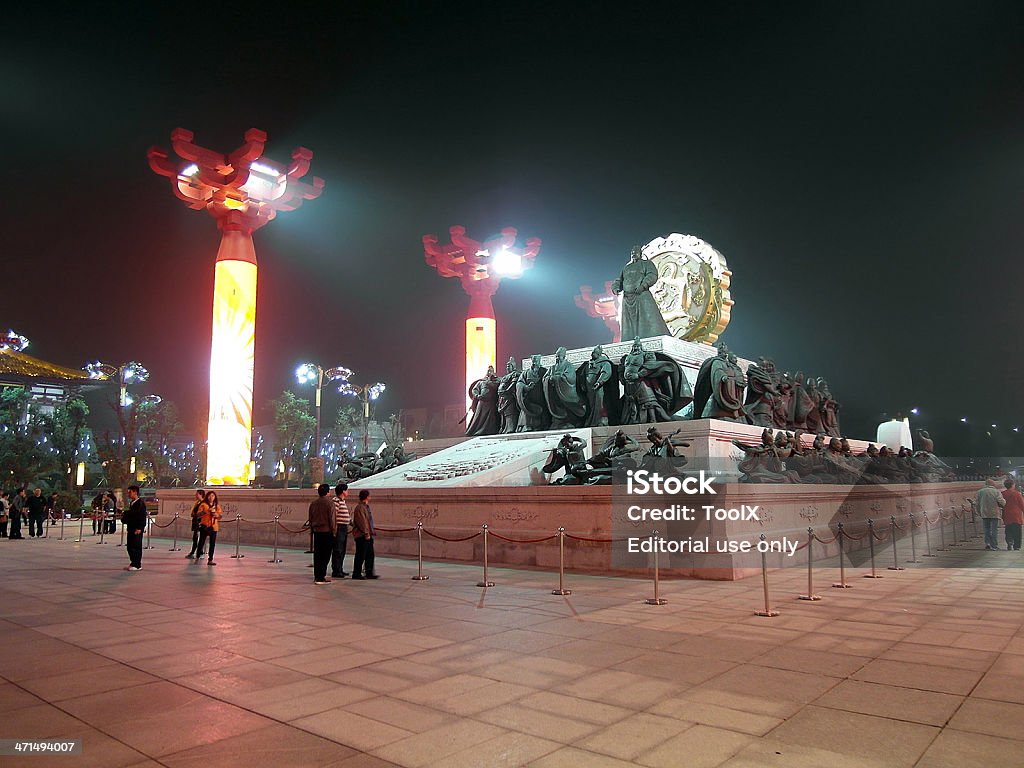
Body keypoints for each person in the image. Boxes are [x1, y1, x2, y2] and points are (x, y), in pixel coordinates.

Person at [611, 245, 670, 339]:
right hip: (627, 298)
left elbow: (652, 275)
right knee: (629, 326)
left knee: (649, 320)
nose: (634, 254)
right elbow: (619, 280)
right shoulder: (627, 268)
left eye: (636, 252)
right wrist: (616, 287)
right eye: (632, 252)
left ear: (641, 253)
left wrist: (643, 286)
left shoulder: (647, 264)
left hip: (641, 295)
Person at [308, 483, 336, 584]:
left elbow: (310, 518)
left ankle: (317, 575)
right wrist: (334, 531)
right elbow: (332, 519)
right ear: (328, 492)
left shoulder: (313, 503)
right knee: (326, 554)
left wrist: (312, 529)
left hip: (317, 531)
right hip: (327, 531)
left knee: (318, 554)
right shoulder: (330, 503)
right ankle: (321, 576)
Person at [351, 489, 377, 579]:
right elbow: (362, 522)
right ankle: (356, 573)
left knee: (370, 554)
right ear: (367, 497)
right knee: (360, 555)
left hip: (368, 534)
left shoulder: (365, 507)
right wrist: (366, 533)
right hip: (362, 535)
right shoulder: (360, 508)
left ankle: (369, 572)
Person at [976, 478, 1006, 551]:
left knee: (986, 529)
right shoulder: (996, 491)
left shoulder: (980, 492)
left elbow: (977, 503)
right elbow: (1001, 501)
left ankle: (987, 543)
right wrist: (1004, 504)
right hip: (994, 512)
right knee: (994, 529)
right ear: (993, 484)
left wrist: (979, 512)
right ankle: (994, 545)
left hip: (984, 513)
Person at [123, 485, 147, 571]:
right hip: (131, 528)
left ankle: (137, 564)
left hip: (136, 529)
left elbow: (142, 517)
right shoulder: (132, 503)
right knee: (130, 546)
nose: (128, 494)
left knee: (136, 546)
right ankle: (133, 562)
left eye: (130, 492)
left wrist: (140, 528)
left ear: (135, 492)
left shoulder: (140, 504)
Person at [196, 490, 222, 565]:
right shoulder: (203, 505)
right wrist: (206, 511)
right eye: (210, 496)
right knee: (201, 542)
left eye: (213, 496)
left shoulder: (217, 506)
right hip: (204, 525)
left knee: (212, 544)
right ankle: (198, 556)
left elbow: (220, 516)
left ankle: (210, 559)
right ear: (207, 497)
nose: (211, 497)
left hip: (213, 527)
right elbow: (198, 515)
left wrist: (215, 514)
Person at [330, 483, 350, 579]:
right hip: (339, 528)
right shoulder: (336, 501)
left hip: (344, 528)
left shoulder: (342, 501)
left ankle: (340, 568)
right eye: (346, 490)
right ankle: (336, 570)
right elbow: (334, 515)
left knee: (342, 549)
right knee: (338, 549)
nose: (347, 492)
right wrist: (335, 529)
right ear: (343, 491)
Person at [1002, 477, 1024, 551]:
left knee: (1008, 530)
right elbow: (1022, 504)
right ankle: (1016, 546)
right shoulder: (1017, 493)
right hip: (1016, 515)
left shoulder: (1003, 493)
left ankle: (1009, 542)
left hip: (1007, 514)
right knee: (1017, 531)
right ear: (1012, 485)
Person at [186, 490, 204, 558]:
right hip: (195, 521)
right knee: (196, 538)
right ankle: (200, 552)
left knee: (197, 538)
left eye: (197, 494)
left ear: (201, 494)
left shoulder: (203, 503)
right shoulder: (197, 502)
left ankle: (193, 552)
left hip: (200, 522)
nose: (195, 496)